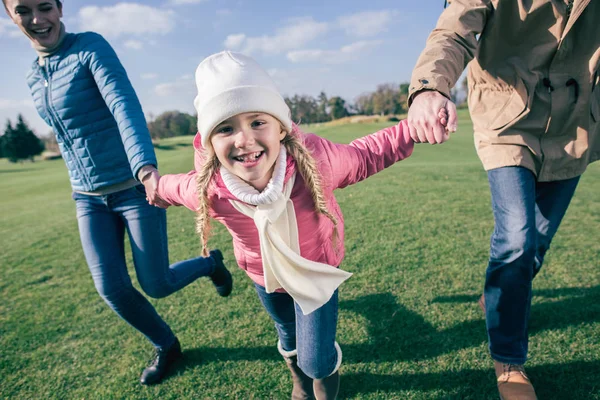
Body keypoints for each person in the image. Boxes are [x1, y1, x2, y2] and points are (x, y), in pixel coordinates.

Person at [154, 51, 433, 399]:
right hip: (265, 278)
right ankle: (298, 381)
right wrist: (154, 188)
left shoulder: (315, 159)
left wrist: (414, 128)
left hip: (315, 272)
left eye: (257, 122)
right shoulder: (209, 189)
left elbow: (366, 155)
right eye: (226, 128)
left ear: (281, 127)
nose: (244, 140)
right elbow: (171, 187)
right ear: (209, 142)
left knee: (316, 359)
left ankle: (320, 386)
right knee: (287, 334)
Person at [4, 0, 233, 385]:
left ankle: (211, 263)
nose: (37, 19)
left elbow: (122, 104)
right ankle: (167, 345)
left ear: (60, 8)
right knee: (111, 288)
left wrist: (145, 169)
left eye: (46, 7)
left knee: (157, 284)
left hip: (131, 187)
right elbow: (67, 135)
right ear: (11, 16)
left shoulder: (89, 47)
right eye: (23, 10)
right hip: (87, 197)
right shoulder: (33, 74)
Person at [407, 1, 600, 399]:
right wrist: (430, 87)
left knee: (537, 244)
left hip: (575, 127)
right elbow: (454, 30)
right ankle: (509, 361)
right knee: (516, 238)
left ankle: (496, 297)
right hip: (506, 119)